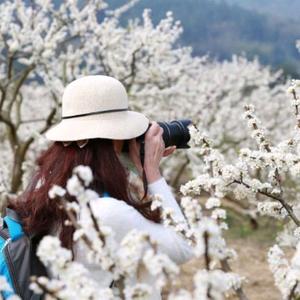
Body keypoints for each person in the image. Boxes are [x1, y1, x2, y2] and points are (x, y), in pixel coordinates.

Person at [10, 75, 193, 299]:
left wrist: (130, 165)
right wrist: (151, 173)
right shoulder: (106, 212)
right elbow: (184, 247)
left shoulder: (46, 190)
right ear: (111, 140)